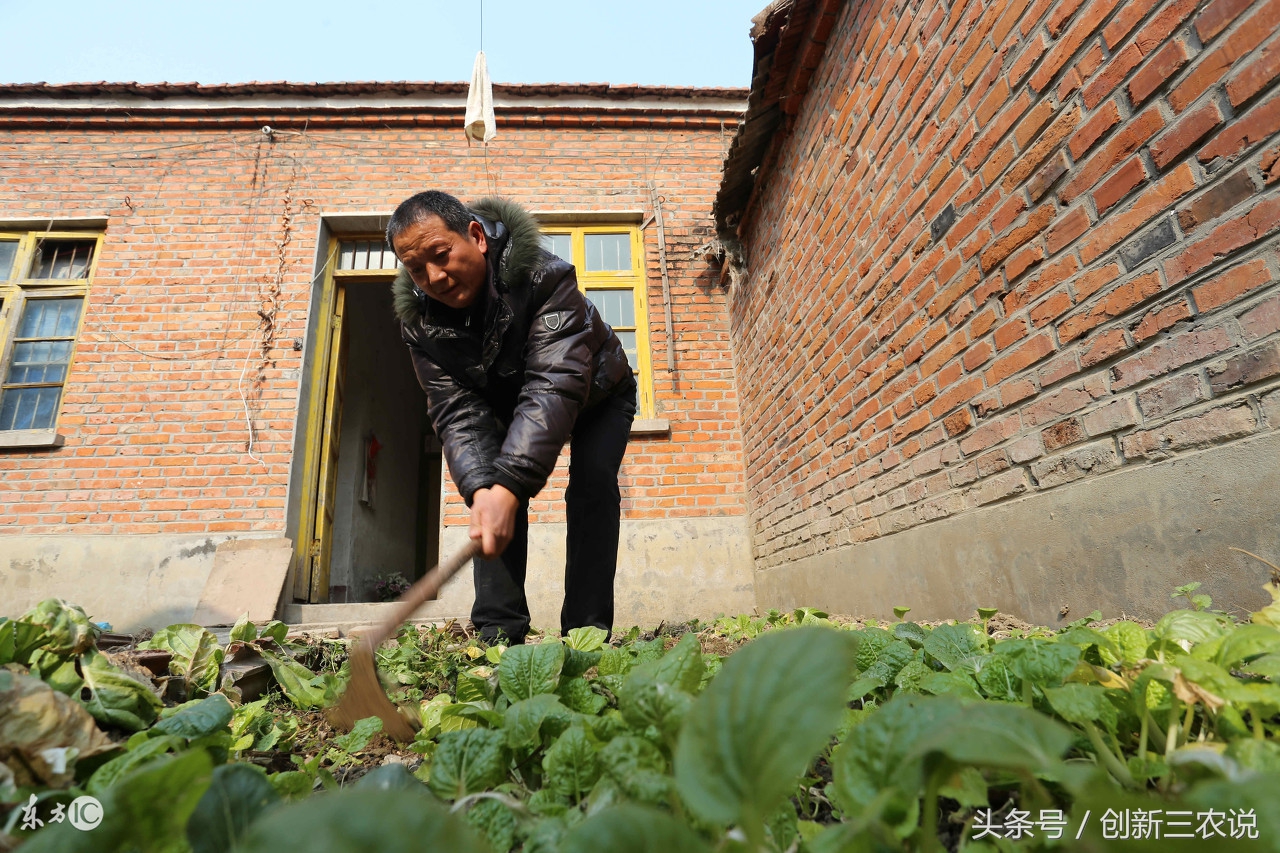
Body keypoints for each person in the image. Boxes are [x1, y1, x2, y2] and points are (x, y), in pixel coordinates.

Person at [387, 191, 637, 644]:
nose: (434, 277)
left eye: (441, 256)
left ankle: (586, 633)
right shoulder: (418, 323)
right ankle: (498, 636)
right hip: (507, 400)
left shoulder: (543, 276)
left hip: (599, 391)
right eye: (416, 269)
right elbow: (455, 409)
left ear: (477, 237)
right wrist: (484, 487)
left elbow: (554, 382)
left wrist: (512, 482)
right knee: (490, 500)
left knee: (591, 486)